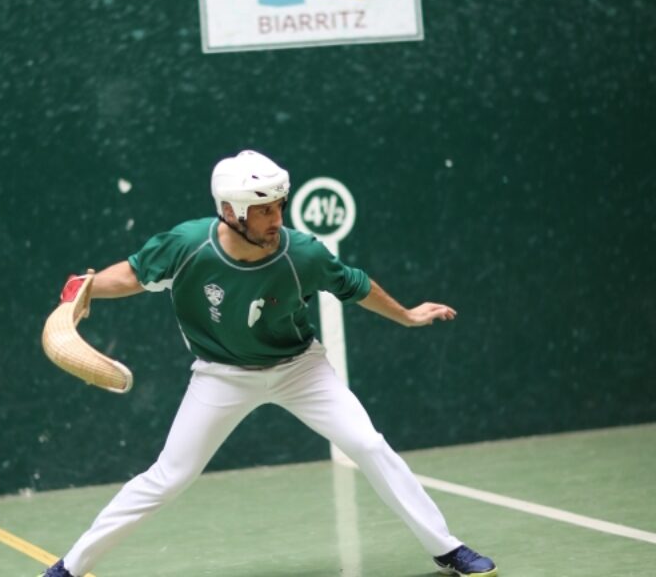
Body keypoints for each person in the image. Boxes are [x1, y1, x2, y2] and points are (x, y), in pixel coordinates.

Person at [40, 150, 498, 577]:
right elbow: (134, 274)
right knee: (168, 477)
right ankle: (69, 568)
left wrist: (407, 315)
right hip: (221, 375)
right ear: (231, 212)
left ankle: (445, 547)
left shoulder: (302, 254)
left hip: (300, 369)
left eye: (279, 205)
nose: (276, 218)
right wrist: (88, 285)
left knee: (368, 445)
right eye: (263, 210)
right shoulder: (188, 245)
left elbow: (355, 286)